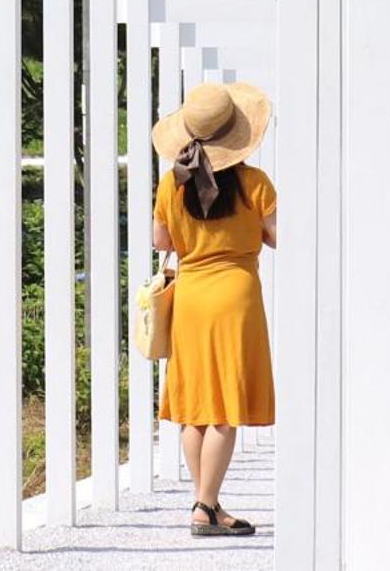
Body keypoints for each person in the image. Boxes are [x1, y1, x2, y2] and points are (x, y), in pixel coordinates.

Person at [149, 80, 278, 537]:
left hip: (191, 297)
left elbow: (160, 242)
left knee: (196, 407)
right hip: (236, 295)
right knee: (226, 404)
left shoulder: (172, 184)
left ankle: (208, 505)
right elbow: (281, 236)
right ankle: (204, 507)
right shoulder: (254, 184)